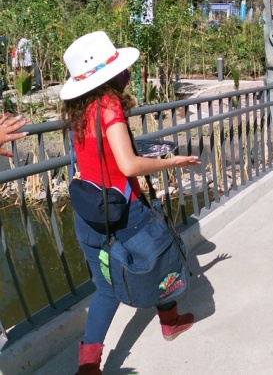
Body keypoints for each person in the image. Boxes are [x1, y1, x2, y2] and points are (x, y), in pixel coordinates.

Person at [59, 31, 201, 375]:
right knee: (159, 259)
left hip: (90, 215)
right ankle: (170, 323)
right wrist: (173, 162)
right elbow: (129, 166)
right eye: (121, 70)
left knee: (105, 290)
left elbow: (99, 157)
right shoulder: (108, 106)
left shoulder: (79, 111)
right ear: (109, 76)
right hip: (126, 212)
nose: (126, 74)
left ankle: (89, 366)